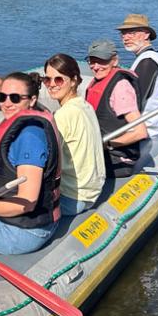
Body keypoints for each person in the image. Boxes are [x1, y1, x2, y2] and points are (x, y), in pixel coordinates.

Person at [0, 72, 62, 254]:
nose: (7, 103)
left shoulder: (30, 137)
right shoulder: (22, 125)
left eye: (15, 98)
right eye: (1, 97)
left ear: (32, 100)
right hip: (16, 210)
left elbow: (28, 201)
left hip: (25, 232)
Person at [42, 54, 106, 216]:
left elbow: (46, 164)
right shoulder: (85, 105)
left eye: (59, 80)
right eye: (47, 80)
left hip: (71, 197)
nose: (52, 85)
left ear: (74, 80)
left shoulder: (64, 115)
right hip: (91, 192)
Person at [85, 39, 147, 178]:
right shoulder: (98, 80)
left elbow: (140, 132)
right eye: (92, 61)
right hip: (101, 152)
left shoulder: (121, 88)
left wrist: (108, 144)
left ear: (114, 60)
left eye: (102, 61)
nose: (95, 66)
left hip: (117, 159)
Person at [116, 14, 158, 137]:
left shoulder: (148, 61)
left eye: (132, 33)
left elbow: (136, 99)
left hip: (149, 127)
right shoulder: (153, 55)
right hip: (153, 123)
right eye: (123, 33)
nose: (126, 37)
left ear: (146, 34)